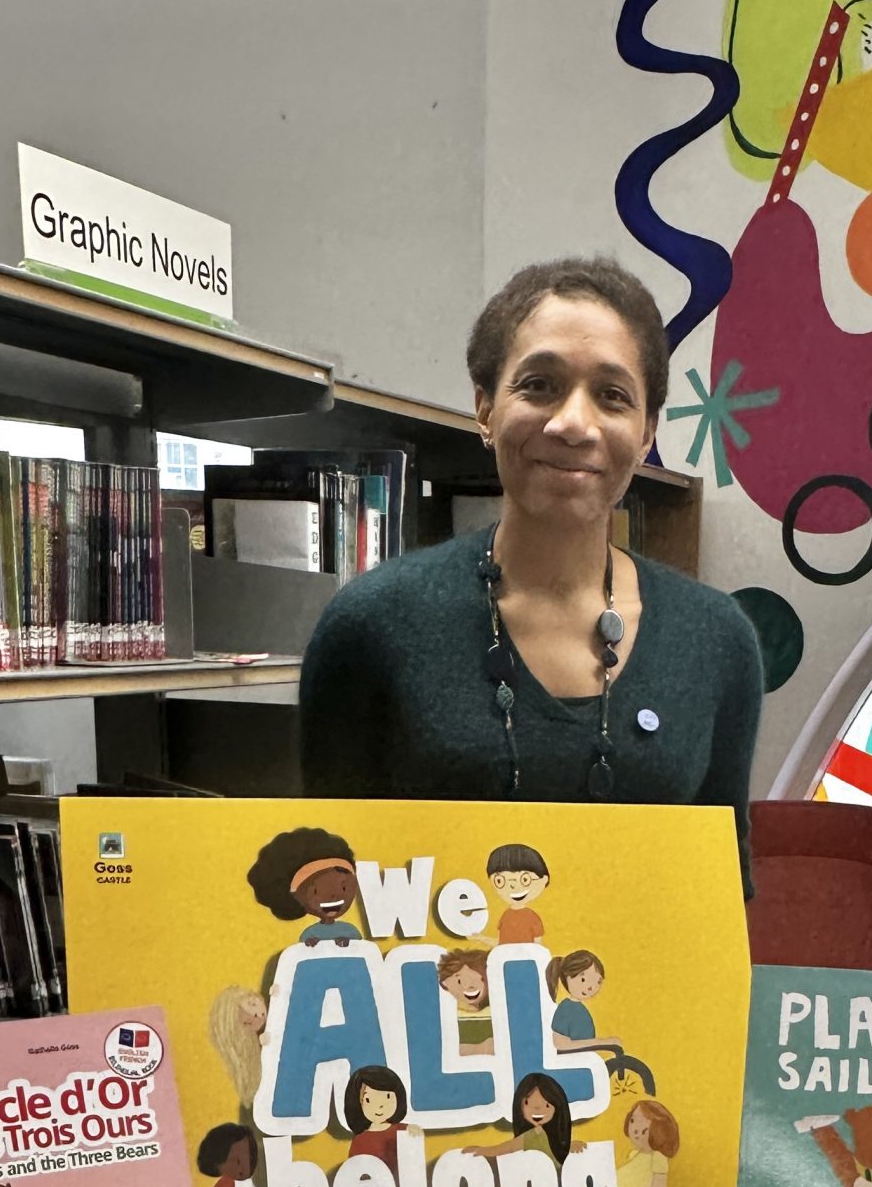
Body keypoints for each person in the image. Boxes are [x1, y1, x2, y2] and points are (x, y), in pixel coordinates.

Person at [298, 257, 763, 890]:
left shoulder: (717, 640)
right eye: (539, 385)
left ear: (648, 431)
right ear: (485, 410)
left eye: (613, 395)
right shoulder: (371, 626)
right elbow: (331, 881)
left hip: (645, 987)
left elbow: (721, 891)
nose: (573, 423)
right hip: (434, 985)